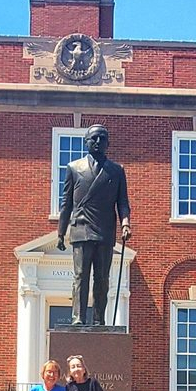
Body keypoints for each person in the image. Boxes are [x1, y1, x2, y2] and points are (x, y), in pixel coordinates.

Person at [57, 124, 132, 325]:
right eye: (94, 138)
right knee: (81, 276)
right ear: (86, 142)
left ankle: (99, 319)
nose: (98, 142)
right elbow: (66, 204)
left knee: (102, 278)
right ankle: (78, 318)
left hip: (105, 230)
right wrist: (60, 233)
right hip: (81, 228)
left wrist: (125, 223)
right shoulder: (74, 168)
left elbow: (122, 202)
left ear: (108, 143)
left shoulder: (116, 171)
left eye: (102, 138)